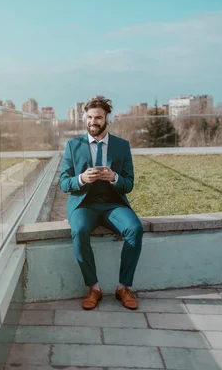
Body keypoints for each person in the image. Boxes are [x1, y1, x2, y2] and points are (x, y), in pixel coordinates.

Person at [60, 96, 143, 310]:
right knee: (78, 231)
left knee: (135, 228)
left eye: (98, 117)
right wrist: (81, 179)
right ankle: (94, 288)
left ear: (107, 119)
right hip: (84, 205)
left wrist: (115, 178)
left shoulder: (122, 146)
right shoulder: (72, 145)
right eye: (89, 117)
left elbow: (129, 184)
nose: (93, 122)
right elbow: (63, 183)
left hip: (113, 204)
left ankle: (123, 287)